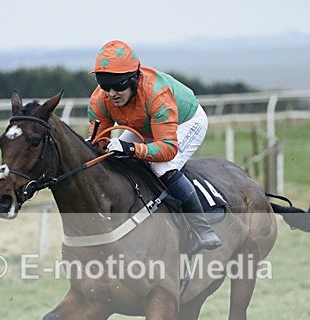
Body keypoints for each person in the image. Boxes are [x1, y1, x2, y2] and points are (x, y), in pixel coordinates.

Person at [87, 40, 222, 254]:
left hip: (185, 122)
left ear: (133, 79)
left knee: (162, 167)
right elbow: (98, 142)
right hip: (144, 124)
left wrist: (132, 149)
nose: (112, 93)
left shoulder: (156, 94)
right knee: (115, 158)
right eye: (106, 86)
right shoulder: (100, 99)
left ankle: (202, 229)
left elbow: (167, 148)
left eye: (119, 85)